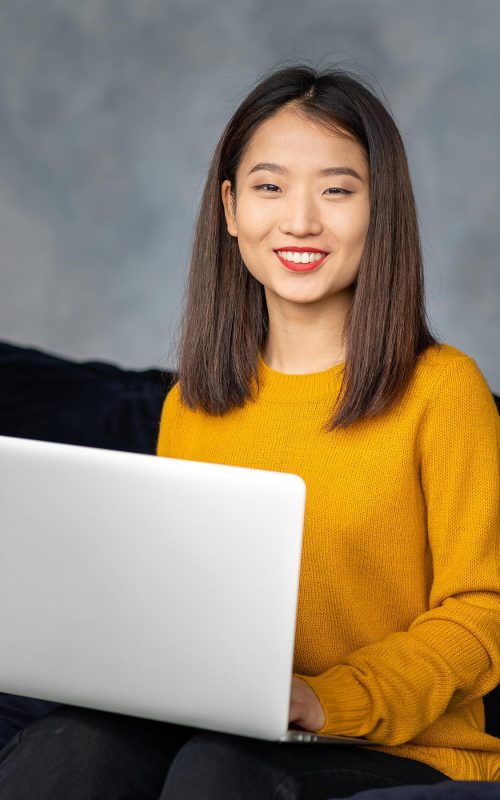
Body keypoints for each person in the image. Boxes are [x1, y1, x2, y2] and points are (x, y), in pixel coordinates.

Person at [0, 61, 499, 799]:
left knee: (218, 773)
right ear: (231, 209)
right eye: (270, 187)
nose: (300, 221)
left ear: (380, 209)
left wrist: (327, 698)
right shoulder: (194, 404)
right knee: (68, 749)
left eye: (337, 190)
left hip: (401, 746)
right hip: (220, 729)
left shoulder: (443, 392)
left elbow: (481, 614)